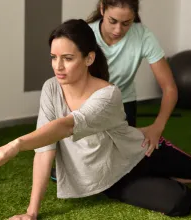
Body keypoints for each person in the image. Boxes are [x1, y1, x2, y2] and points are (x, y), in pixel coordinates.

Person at [0, 19, 191, 219]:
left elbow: (66, 125)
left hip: (142, 155)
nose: (58, 66)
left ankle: (170, 166)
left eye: (68, 58)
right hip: (109, 176)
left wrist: (15, 145)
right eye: (53, 57)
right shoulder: (51, 88)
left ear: (89, 58)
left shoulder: (108, 94)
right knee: (173, 202)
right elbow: (45, 147)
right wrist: (31, 213)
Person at [50, 0, 178, 182]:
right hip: (85, 104)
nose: (118, 30)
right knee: (90, 162)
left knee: (125, 166)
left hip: (122, 104)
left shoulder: (142, 35)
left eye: (126, 23)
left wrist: (158, 126)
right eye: (113, 21)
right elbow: (65, 76)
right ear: (102, 9)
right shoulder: (86, 35)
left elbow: (169, 87)